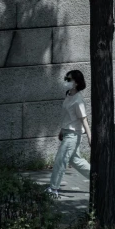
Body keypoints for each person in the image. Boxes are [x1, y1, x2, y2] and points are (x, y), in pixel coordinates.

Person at [46, 70, 91, 198]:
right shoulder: (68, 95)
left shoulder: (78, 100)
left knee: (60, 160)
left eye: (69, 79)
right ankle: (99, 178)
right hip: (67, 132)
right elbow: (67, 116)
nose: (66, 81)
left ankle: (53, 189)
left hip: (73, 135)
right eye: (66, 78)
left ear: (76, 82)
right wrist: (61, 130)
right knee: (76, 161)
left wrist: (89, 136)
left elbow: (84, 119)